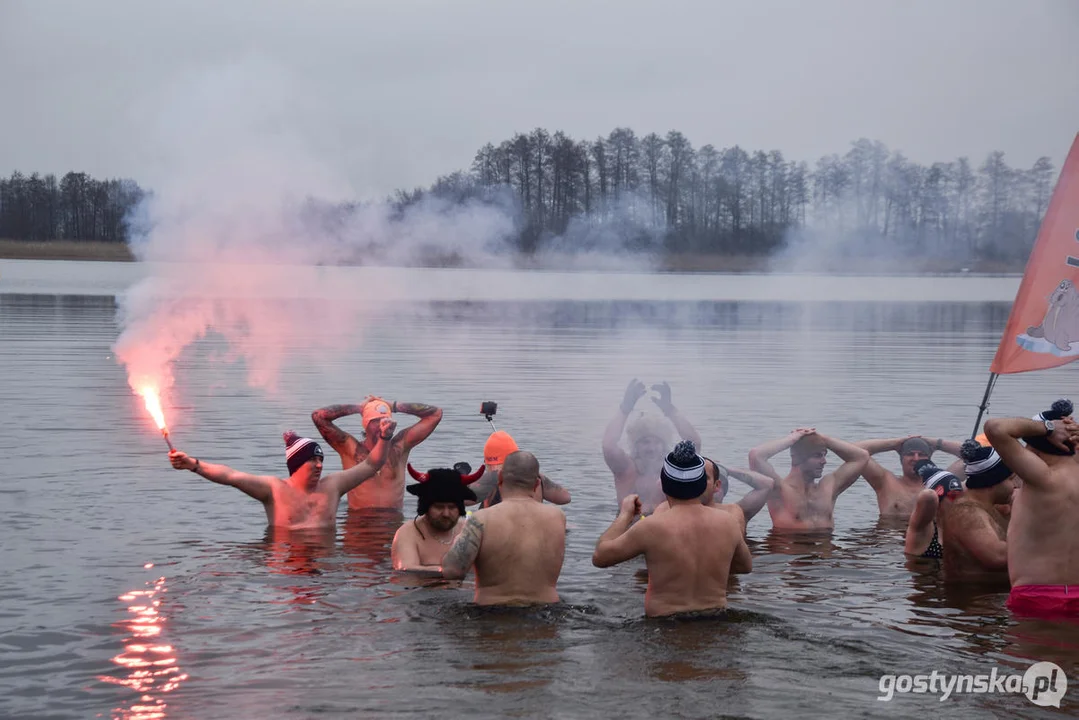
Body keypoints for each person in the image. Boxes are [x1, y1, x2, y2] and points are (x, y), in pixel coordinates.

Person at [592, 440, 752, 618]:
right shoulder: (728, 523)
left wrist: (625, 515)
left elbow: (600, 557)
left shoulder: (652, 527)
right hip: (716, 621)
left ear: (665, 485)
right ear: (700, 485)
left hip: (665, 626)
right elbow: (744, 566)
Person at [167, 419, 396, 530]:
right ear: (296, 464)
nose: (319, 465)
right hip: (286, 565)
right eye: (312, 460)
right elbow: (230, 476)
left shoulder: (333, 486)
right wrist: (193, 464)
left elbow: (371, 465)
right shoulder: (274, 489)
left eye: (320, 460)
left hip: (326, 567)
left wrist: (385, 437)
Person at [985, 399, 1079, 616]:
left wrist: (1046, 428)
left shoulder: (1043, 476)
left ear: (1034, 450)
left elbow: (995, 428)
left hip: (1038, 596)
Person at [440, 451, 566, 606]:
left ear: (499, 479)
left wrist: (459, 538)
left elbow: (452, 571)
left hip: (493, 613)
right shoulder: (557, 518)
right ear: (537, 484)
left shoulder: (481, 519)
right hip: (547, 611)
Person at [310, 396, 443, 510]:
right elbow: (319, 416)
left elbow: (435, 414)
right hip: (359, 524)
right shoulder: (350, 448)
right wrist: (359, 408)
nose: (381, 425)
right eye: (375, 421)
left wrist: (393, 406)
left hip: (392, 523)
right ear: (365, 424)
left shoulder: (399, 447)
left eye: (385, 419)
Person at [603, 379, 702, 514]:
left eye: (657, 442)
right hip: (628, 529)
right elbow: (609, 446)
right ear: (636, 446)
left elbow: (693, 443)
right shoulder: (627, 470)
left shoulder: (672, 471)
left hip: (663, 528)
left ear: (664, 445)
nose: (651, 448)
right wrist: (625, 408)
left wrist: (670, 409)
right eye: (645, 442)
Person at [748, 428, 870, 532]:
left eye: (824, 455)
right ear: (796, 458)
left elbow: (861, 457)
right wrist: (792, 439)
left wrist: (823, 439)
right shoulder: (779, 489)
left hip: (825, 556)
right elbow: (756, 455)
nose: (824, 461)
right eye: (817, 456)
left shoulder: (828, 487)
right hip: (791, 553)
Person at [931, 439, 1015, 584]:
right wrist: (1047, 545)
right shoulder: (967, 513)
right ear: (994, 481)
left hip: (989, 596)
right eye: (1010, 479)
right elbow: (997, 557)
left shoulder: (986, 508)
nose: (1014, 486)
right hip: (975, 601)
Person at [650, 457, 775, 534]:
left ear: (719, 487)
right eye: (701, 480)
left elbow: (767, 484)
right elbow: (661, 483)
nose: (704, 485)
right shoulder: (672, 509)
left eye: (720, 484)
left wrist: (725, 468)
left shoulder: (736, 511)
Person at [391, 464, 480, 572]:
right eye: (439, 507)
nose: (446, 514)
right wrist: (447, 571)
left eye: (452, 507)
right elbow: (406, 569)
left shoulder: (467, 530)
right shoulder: (408, 533)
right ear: (425, 507)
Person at [856, 435, 964, 519]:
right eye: (910, 454)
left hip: (928, 540)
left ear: (929, 458)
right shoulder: (886, 482)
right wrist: (894, 444)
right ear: (901, 458)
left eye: (921, 454)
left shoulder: (943, 482)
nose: (916, 459)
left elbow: (974, 456)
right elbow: (855, 451)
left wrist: (936, 444)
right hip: (890, 540)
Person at [467, 430, 571, 508]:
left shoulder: (493, 477)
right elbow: (565, 497)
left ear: (489, 462)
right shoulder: (535, 478)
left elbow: (462, 499)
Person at [903, 460, 965, 559]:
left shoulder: (962, 526)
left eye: (960, 495)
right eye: (953, 496)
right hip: (927, 572)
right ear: (938, 498)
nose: (958, 500)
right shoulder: (923, 529)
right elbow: (928, 496)